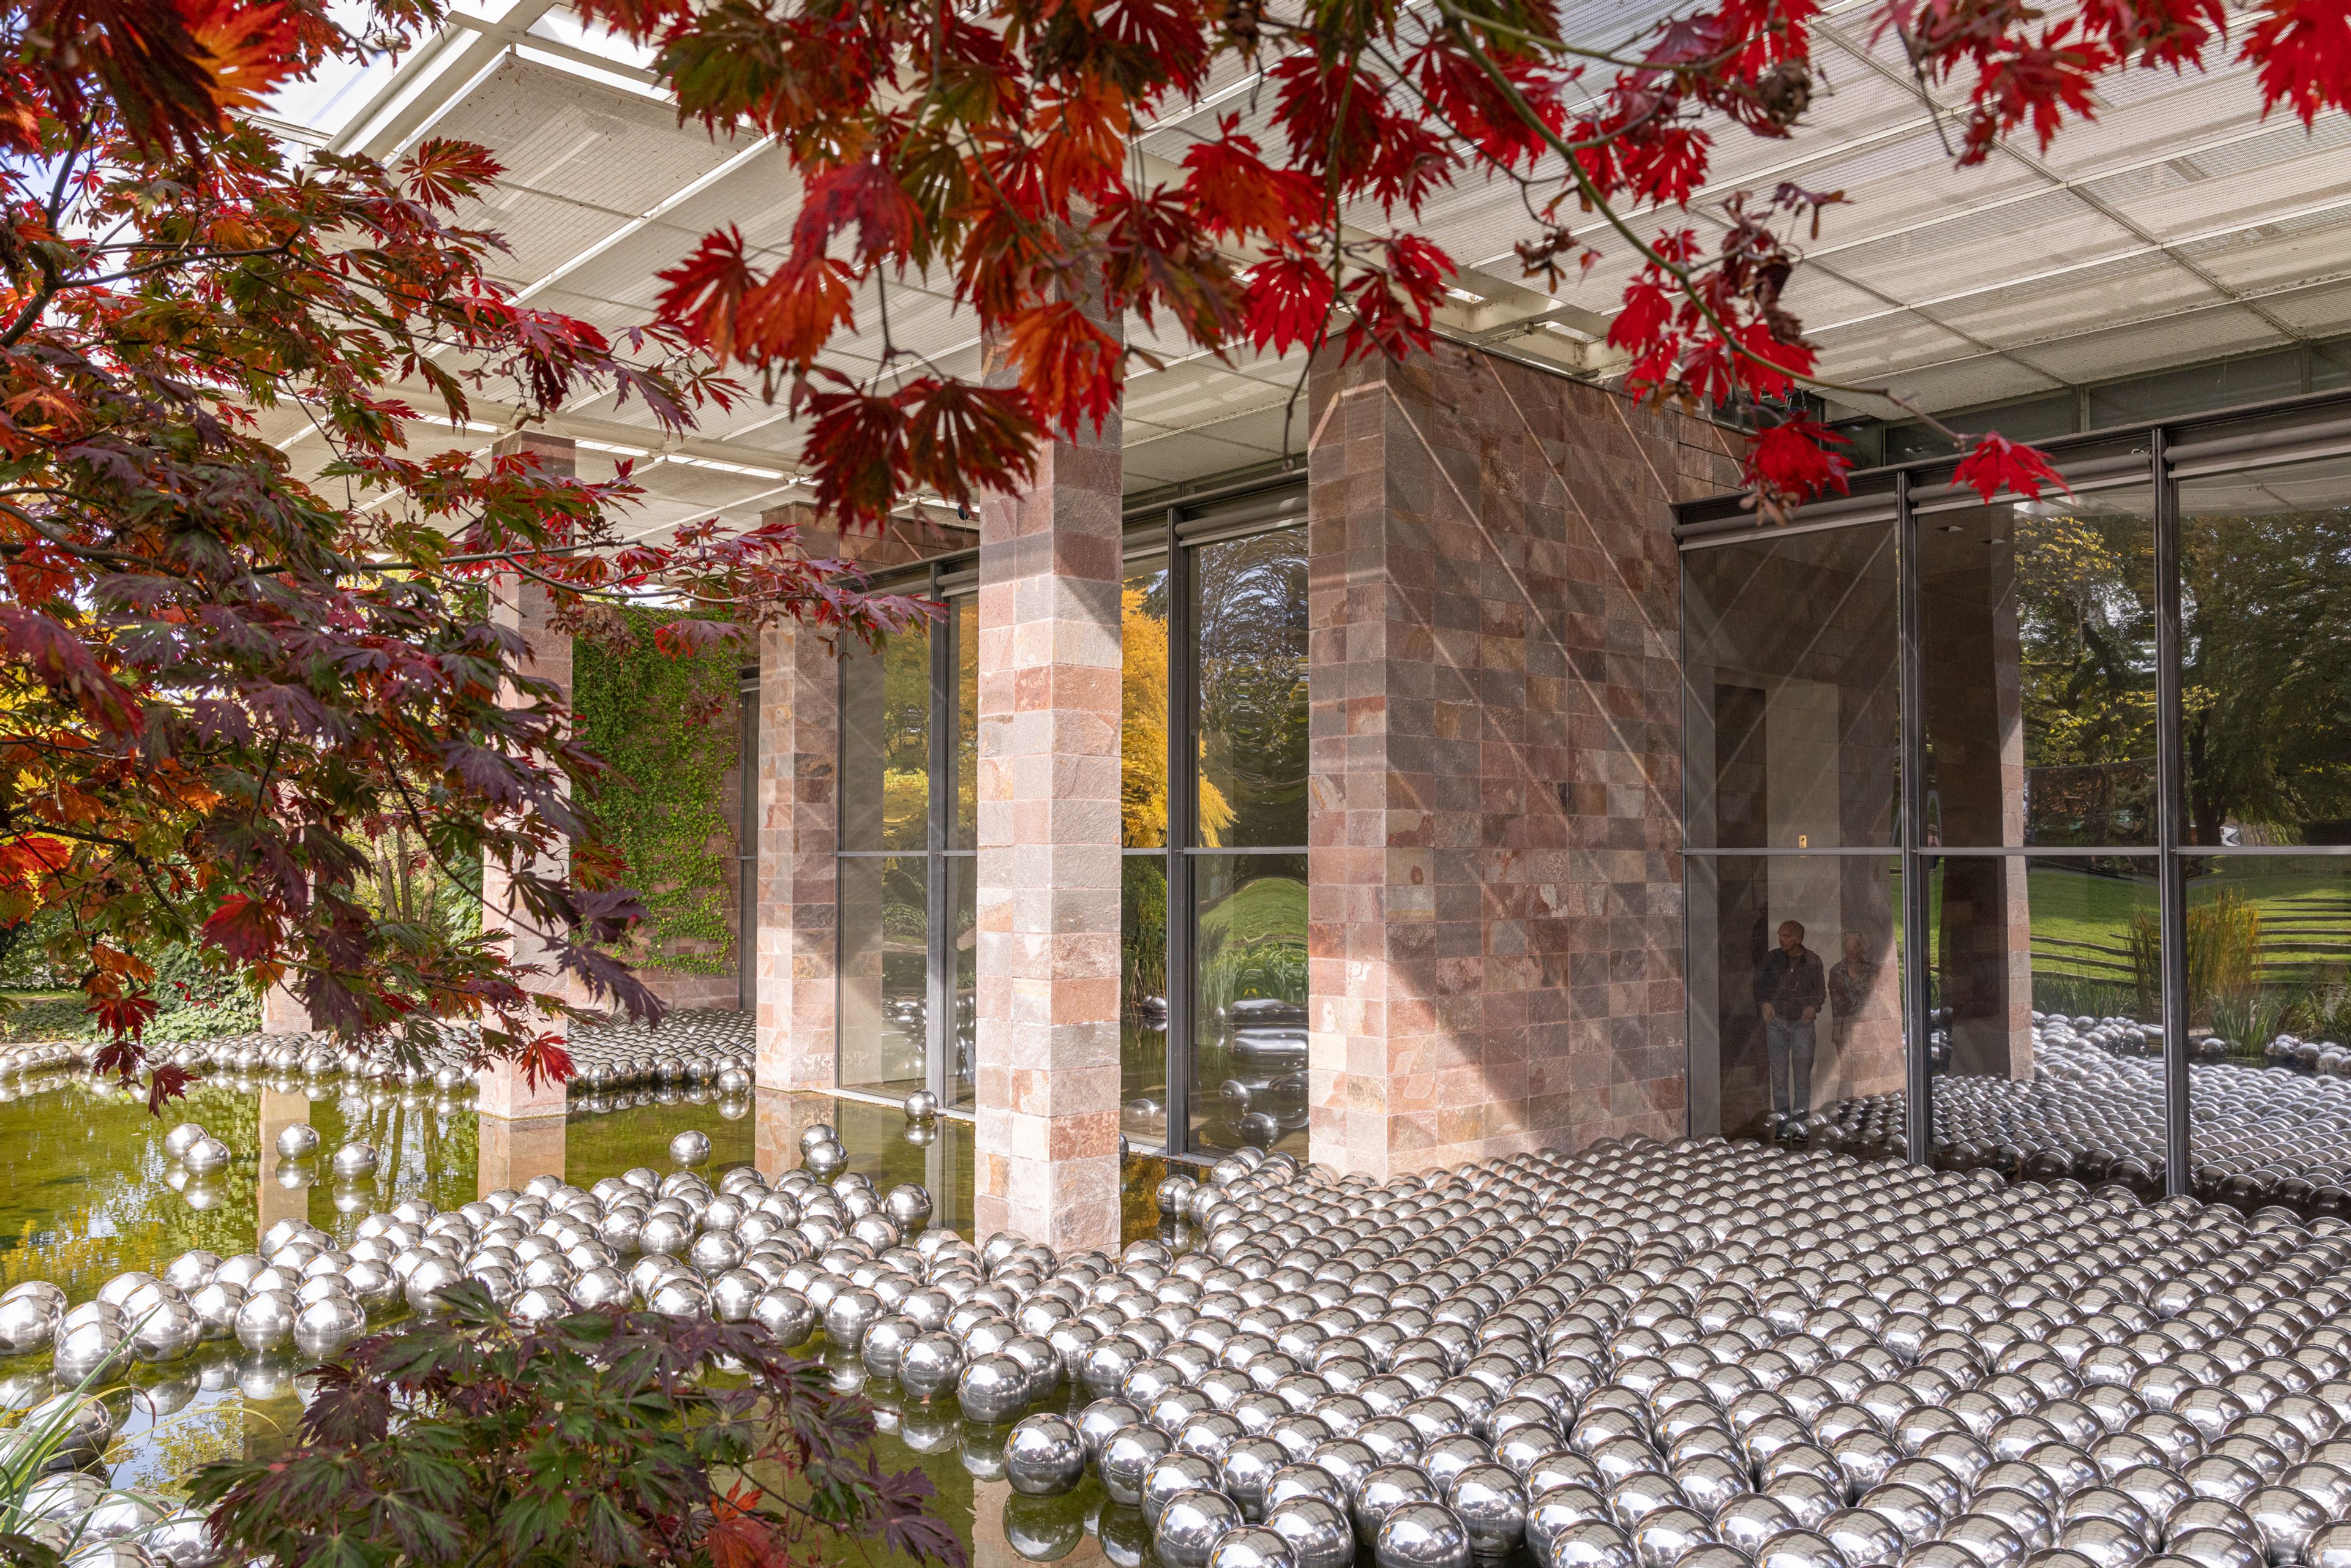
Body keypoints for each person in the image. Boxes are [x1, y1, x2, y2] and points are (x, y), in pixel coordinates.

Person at [1754, 919, 1826, 1139]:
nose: (1781, 939)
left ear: (1798, 939)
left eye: (1786, 936)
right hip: (1777, 1023)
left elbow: (1820, 992)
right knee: (1779, 1074)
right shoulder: (1771, 959)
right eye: (1780, 935)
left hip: (1801, 1024)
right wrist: (1764, 1003)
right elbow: (1759, 985)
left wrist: (1813, 1007)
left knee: (1802, 1074)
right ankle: (1783, 1122)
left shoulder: (1813, 961)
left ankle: (1801, 1123)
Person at [1827, 931, 1878, 1049]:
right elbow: (1839, 1004)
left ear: (1862, 949)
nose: (1851, 952)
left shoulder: (1873, 969)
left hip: (1869, 1028)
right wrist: (1867, 994)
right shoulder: (1836, 971)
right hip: (1844, 1029)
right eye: (1848, 948)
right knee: (1847, 1067)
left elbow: (1880, 998)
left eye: (1855, 948)